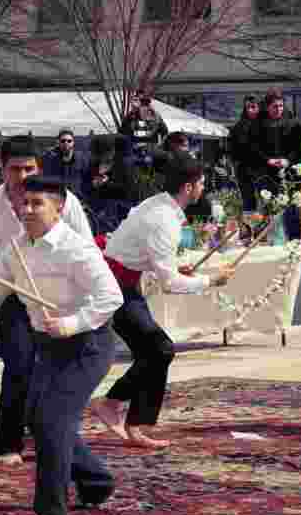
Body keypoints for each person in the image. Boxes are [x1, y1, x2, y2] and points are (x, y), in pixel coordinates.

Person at [0, 175, 122, 515]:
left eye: (38, 204)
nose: (28, 210)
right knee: (37, 418)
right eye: (25, 203)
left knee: (51, 419)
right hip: (49, 345)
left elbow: (111, 297)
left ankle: (51, 511)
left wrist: (71, 323)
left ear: (60, 208)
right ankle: (97, 481)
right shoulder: (16, 248)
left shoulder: (77, 249)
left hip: (89, 344)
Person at [92, 152, 235, 448]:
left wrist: (169, 268)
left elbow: (141, 255)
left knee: (156, 351)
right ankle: (115, 407)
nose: (203, 189)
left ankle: (127, 416)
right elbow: (170, 284)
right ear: (188, 187)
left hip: (123, 282)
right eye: (201, 183)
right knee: (159, 350)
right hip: (112, 288)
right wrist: (211, 280)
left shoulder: (157, 205)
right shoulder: (164, 220)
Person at [0, 136, 94, 466]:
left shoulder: (65, 202)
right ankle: (8, 442)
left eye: (29, 168)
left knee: (58, 370)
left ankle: (55, 434)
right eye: (15, 169)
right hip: (15, 294)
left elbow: (87, 247)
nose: (23, 176)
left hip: (62, 294)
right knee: (19, 365)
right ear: (2, 167)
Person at [230, 95, 262, 213]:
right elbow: (233, 150)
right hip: (244, 171)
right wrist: (235, 166)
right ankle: (249, 228)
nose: (250, 110)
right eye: (247, 107)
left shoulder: (266, 125)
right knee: (248, 202)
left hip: (263, 171)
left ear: (259, 107)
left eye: (253, 107)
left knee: (267, 201)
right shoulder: (239, 127)